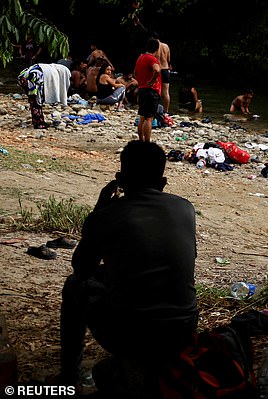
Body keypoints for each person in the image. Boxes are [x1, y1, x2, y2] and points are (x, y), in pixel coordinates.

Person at [58, 140, 198, 388]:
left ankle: (70, 374)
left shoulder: (105, 215)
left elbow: (82, 270)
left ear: (119, 180)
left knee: (73, 287)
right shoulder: (185, 208)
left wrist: (98, 210)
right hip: (183, 330)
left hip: (131, 335)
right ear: (162, 183)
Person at [17, 63, 71, 129]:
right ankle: (39, 123)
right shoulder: (59, 71)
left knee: (34, 103)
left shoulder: (51, 69)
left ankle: (37, 121)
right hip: (33, 79)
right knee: (36, 103)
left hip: (25, 77)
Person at [134, 38, 162, 142]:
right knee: (149, 118)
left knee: (142, 116)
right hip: (151, 90)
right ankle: (147, 142)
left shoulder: (140, 58)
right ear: (157, 49)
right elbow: (157, 69)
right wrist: (152, 80)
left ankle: (141, 139)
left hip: (141, 89)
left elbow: (135, 73)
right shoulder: (152, 59)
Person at [155, 33, 172, 113]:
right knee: (166, 92)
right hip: (165, 70)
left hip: (158, 70)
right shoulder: (166, 46)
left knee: (157, 91)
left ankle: (156, 108)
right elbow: (168, 59)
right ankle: (166, 111)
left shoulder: (154, 47)